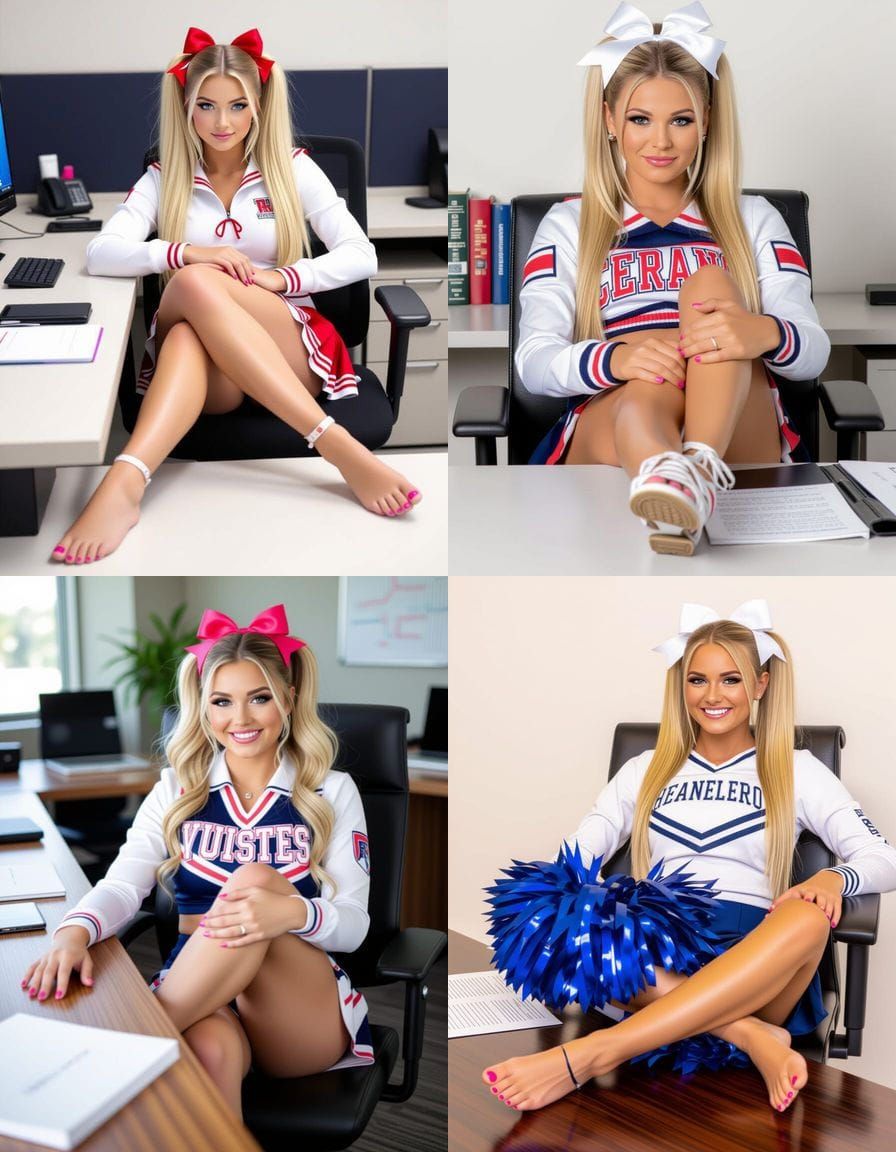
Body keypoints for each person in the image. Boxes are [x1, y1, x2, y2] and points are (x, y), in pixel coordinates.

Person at [483, 601, 896, 1113]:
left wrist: (834, 879)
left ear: (761, 684)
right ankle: (749, 1035)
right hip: (663, 947)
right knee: (555, 909)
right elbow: (578, 849)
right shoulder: (646, 768)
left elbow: (883, 857)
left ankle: (594, 1052)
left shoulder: (797, 768)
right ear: (681, 686)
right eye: (697, 680)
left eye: (731, 679)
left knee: (810, 918)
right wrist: (553, 906)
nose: (713, 695)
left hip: (756, 955)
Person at [52, 27, 421, 566]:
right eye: (206, 105)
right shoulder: (165, 177)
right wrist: (185, 252)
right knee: (190, 314)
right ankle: (331, 443)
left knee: (191, 291)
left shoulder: (291, 168)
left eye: (237, 106)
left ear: (259, 107)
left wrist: (283, 279)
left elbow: (361, 255)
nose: (221, 122)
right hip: (214, 379)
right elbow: (100, 252)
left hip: (288, 345)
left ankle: (125, 480)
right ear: (186, 108)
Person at [21, 605, 373, 1121]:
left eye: (260, 698)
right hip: (201, 991)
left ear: (289, 698)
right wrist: (73, 933)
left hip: (297, 1007)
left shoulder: (331, 790)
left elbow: (356, 926)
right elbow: (122, 885)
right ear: (204, 708)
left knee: (255, 878)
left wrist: (290, 913)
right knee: (209, 1054)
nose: (241, 719)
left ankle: (127, 1044)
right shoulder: (177, 788)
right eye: (222, 701)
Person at [516, 3, 829, 555]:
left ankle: (695, 473)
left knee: (710, 286)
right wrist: (617, 358)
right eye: (640, 119)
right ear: (609, 120)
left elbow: (814, 352)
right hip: (621, 423)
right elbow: (534, 361)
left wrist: (763, 333)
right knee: (646, 388)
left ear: (706, 120)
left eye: (680, 120)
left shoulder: (754, 218)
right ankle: (673, 484)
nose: (660, 141)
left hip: (737, 430)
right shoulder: (569, 225)